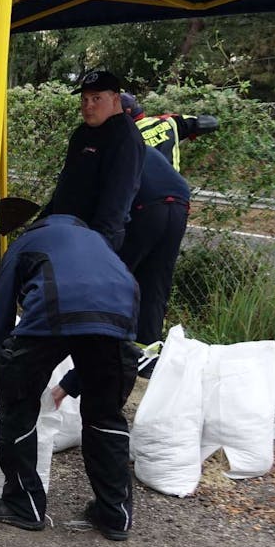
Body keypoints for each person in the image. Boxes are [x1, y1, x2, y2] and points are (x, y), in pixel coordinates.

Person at [0, 214, 140, 541]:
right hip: (121, 312)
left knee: (18, 409)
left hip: (53, 307)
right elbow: (104, 328)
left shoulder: (24, 244)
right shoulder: (100, 247)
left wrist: (3, 378)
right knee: (105, 415)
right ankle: (114, 515)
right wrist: (72, 384)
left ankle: (25, 506)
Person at [36, 70, 143, 249]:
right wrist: (40, 224)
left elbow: (117, 200)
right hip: (65, 230)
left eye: (96, 99)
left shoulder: (125, 137)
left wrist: (97, 244)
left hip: (95, 238)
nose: (88, 106)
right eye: (84, 100)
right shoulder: (82, 133)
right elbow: (66, 184)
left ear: (115, 99)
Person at [119, 146, 192, 349]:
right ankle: (147, 356)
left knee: (115, 277)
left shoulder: (108, 146)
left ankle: (105, 343)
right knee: (156, 283)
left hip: (147, 206)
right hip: (179, 204)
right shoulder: (144, 149)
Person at [121, 93, 218, 173]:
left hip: (143, 192)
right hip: (174, 188)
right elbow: (209, 123)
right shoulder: (169, 121)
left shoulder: (122, 138)